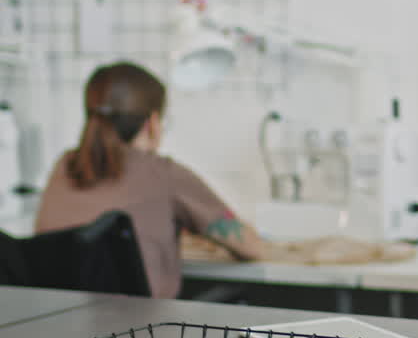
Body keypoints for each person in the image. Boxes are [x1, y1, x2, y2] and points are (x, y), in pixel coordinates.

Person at [35, 61, 263, 298]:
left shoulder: (63, 166)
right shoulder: (164, 174)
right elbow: (251, 247)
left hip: (61, 327)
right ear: (153, 123)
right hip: (143, 332)